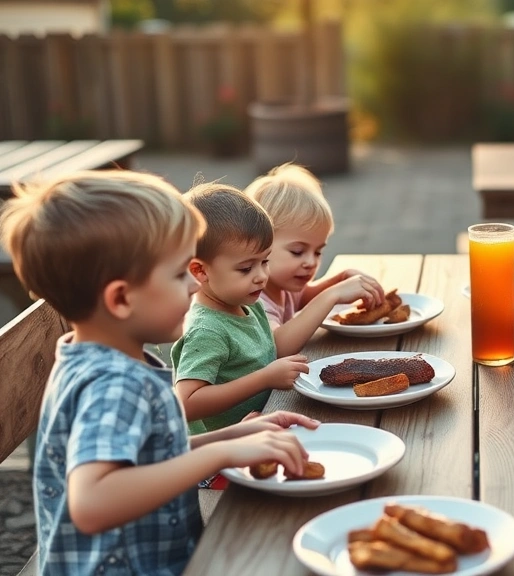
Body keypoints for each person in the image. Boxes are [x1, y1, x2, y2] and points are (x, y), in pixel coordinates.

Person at [0, 171, 316, 574]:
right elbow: (93, 503)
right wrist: (222, 452)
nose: (192, 286)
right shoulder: (112, 384)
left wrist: (233, 435)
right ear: (120, 298)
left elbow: (145, 459)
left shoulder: (105, 359)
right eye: (179, 273)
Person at [171, 183, 309, 434]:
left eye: (265, 261)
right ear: (200, 270)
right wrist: (265, 378)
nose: (261, 277)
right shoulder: (207, 330)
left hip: (266, 422)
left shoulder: (248, 303)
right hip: (221, 459)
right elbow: (187, 402)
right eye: (246, 268)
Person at [244, 163, 384, 357]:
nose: (311, 262)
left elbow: (304, 296)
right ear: (257, 245)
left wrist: (342, 279)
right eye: (298, 251)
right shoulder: (252, 298)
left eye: (318, 252)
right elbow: (277, 347)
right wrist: (332, 295)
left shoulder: (281, 284)